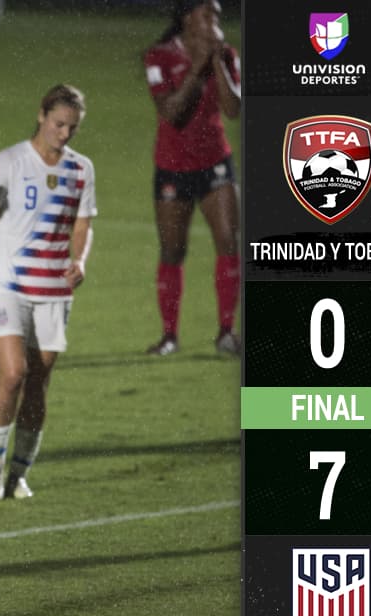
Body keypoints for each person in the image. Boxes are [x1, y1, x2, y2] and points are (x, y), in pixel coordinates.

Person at [0, 84, 96, 502]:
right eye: (59, 124)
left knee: (39, 380)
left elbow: (81, 223)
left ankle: (18, 474)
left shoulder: (81, 170)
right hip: (7, 285)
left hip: (54, 290)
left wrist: (80, 260)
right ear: (41, 115)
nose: (64, 133)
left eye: (72, 128)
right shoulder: (9, 162)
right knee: (13, 372)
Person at [143, 0, 241, 356]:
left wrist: (217, 64)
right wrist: (197, 68)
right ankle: (169, 336)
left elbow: (233, 109)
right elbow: (170, 112)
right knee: (173, 249)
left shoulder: (227, 55)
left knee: (229, 242)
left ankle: (227, 332)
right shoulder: (160, 57)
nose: (214, 20)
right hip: (172, 165)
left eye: (216, 14)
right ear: (187, 18)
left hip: (216, 161)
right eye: (207, 13)